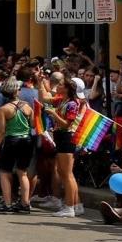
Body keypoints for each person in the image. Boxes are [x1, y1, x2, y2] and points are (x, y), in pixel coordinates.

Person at [0, 78, 34, 213]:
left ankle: (7, 203)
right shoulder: (27, 106)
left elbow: (2, 130)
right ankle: (25, 203)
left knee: (4, 172)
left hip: (11, 141)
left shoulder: (3, 109)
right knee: (23, 173)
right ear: (17, 92)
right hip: (27, 140)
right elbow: (32, 124)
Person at [45, 78, 84, 218]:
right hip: (60, 137)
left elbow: (67, 125)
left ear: (67, 88)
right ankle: (76, 205)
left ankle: (70, 207)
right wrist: (41, 83)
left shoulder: (72, 104)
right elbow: (44, 97)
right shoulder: (62, 100)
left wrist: (54, 114)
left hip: (67, 138)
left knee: (67, 174)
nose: (58, 87)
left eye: (61, 85)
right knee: (63, 172)